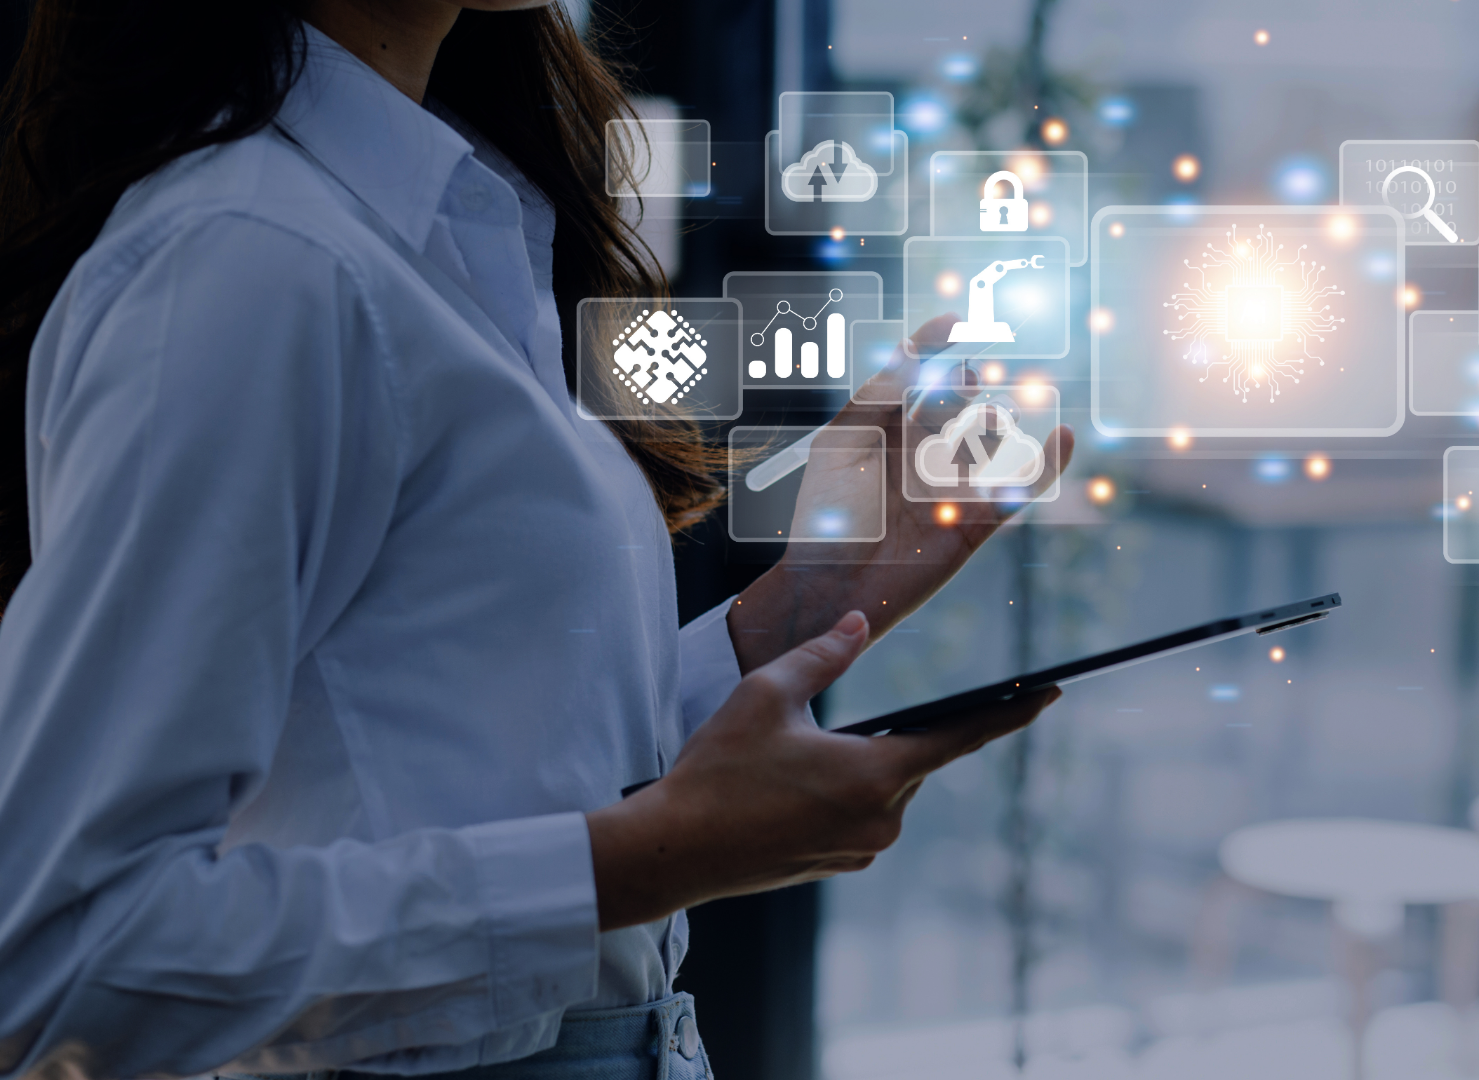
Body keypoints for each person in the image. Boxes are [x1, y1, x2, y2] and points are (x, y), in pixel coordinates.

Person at [0, 3, 1071, 1078]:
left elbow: (460, 760)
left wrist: (796, 611)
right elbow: (60, 966)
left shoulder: (448, 221)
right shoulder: (249, 262)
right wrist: (645, 864)